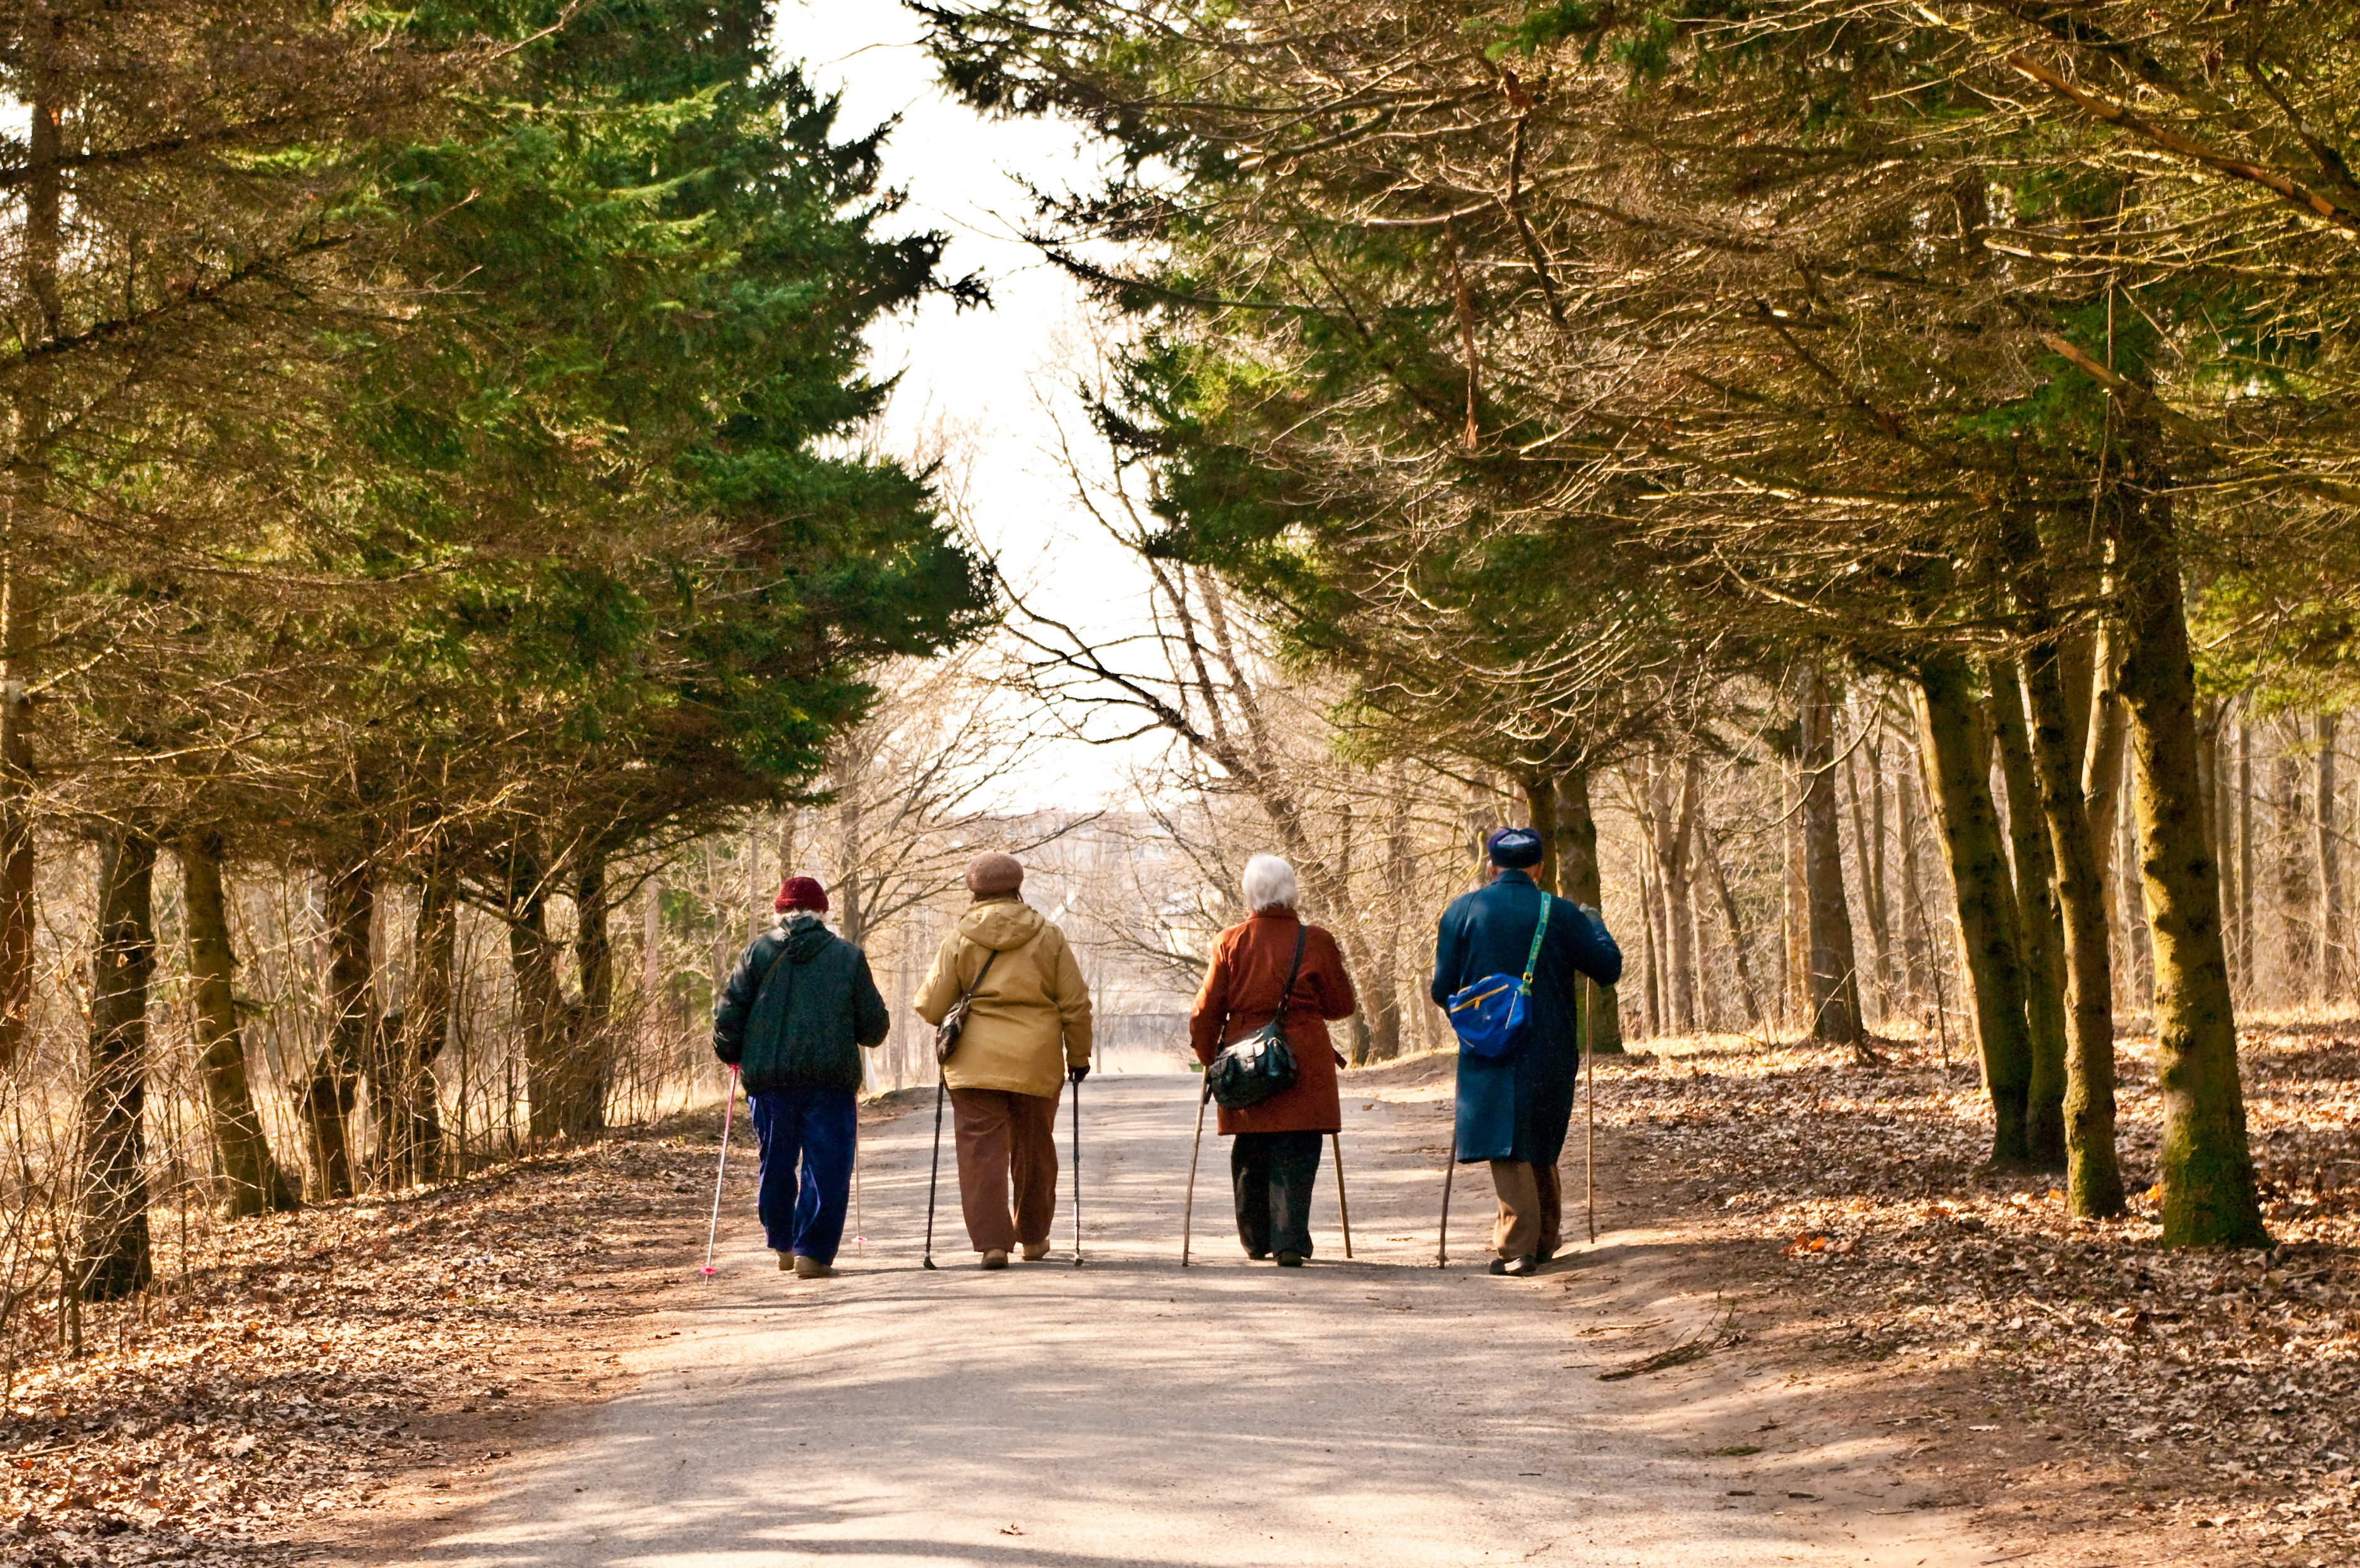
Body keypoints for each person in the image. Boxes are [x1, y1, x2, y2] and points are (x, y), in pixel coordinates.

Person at [1430, 826, 1623, 1276]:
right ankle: (1543, 1237)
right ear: (1538, 868)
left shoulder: (1463, 911)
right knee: (1538, 1136)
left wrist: (1477, 1013)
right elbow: (1608, 969)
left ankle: (1518, 1247)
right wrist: (1594, 922)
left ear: (1491, 865)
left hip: (1487, 1043)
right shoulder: (1559, 913)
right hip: (1550, 1044)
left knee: (1506, 1140)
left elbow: (1442, 989)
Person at [914, 851, 1093, 1269]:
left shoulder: (959, 938)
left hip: (973, 1063)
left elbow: (929, 1004)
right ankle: (1033, 1237)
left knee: (981, 1153)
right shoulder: (1049, 936)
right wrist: (1078, 1055)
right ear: (1019, 887)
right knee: (1035, 1147)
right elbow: (1076, 1003)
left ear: (973, 892)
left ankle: (993, 1244)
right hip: (1036, 1061)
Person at [712, 876, 890, 1280]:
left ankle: (783, 1242)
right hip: (831, 1080)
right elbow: (874, 1028)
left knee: (776, 1161)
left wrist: (733, 1054)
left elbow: (727, 1017)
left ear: (778, 912)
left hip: (769, 1081)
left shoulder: (754, 954)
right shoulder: (848, 957)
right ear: (823, 913)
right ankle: (813, 1251)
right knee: (827, 1165)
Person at [1189, 854, 1358, 1266]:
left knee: (1251, 1149)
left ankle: (1256, 1239)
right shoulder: (1316, 941)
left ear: (1250, 893)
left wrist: (1214, 1061)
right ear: (1291, 891)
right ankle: (1290, 1241)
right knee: (1298, 1148)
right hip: (1304, 1061)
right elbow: (1341, 1005)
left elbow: (1204, 1014)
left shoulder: (1229, 942)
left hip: (1247, 1060)